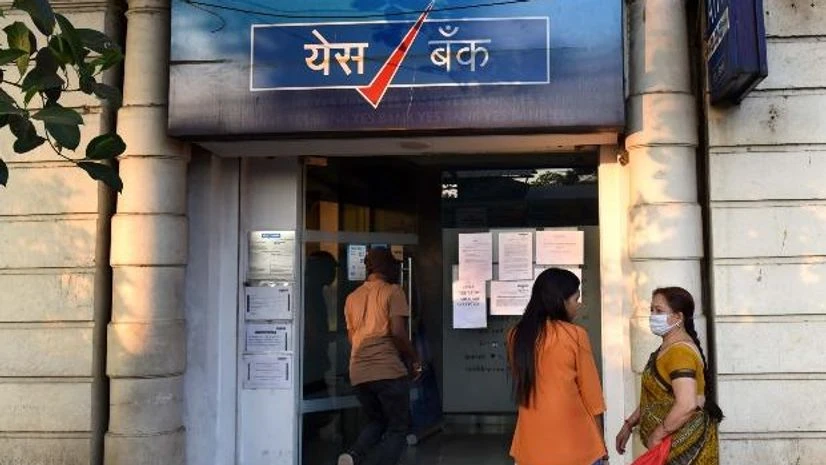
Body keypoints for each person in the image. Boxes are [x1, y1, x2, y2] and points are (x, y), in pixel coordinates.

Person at [508, 268, 608, 465]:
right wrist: (601, 445)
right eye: (575, 299)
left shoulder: (516, 336)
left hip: (530, 444)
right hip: (575, 442)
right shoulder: (575, 335)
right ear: (560, 301)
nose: (578, 305)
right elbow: (592, 396)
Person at [615, 287, 723, 465]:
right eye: (651, 310)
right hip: (668, 447)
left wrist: (657, 435)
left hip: (685, 451)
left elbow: (687, 404)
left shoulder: (680, 353)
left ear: (678, 317)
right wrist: (629, 424)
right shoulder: (668, 348)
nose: (652, 316)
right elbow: (656, 398)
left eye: (659, 311)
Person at [338, 247, 422, 465]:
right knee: (397, 427)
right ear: (386, 266)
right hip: (388, 371)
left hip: (358, 372)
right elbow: (398, 333)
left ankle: (354, 455)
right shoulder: (393, 292)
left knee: (377, 421)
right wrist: (414, 357)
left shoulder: (351, 298)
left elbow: (352, 338)